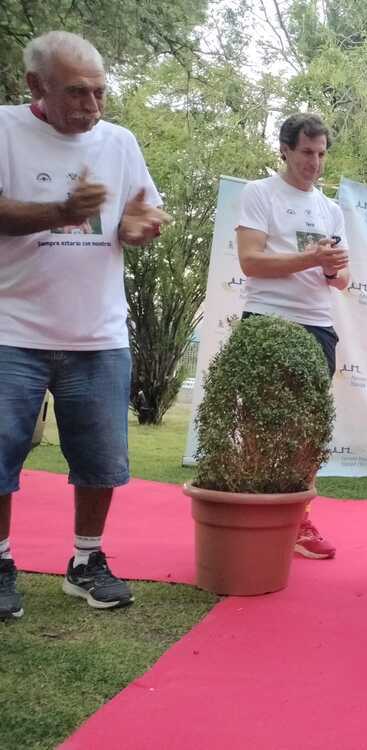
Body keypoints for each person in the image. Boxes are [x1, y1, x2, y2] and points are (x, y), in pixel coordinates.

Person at [0, 31, 170, 619]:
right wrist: (59, 212)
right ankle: (0, 562)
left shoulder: (119, 143)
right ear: (35, 86)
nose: (92, 107)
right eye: (77, 93)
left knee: (101, 459)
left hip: (98, 333)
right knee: (0, 452)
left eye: (99, 93)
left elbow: (144, 207)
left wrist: (141, 225)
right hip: (10, 330)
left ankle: (86, 561)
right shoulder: (4, 129)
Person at [235, 113, 350, 560]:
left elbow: (340, 279)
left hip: (318, 324)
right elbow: (251, 261)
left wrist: (329, 268)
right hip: (267, 318)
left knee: (308, 428)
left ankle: (299, 520)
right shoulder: (259, 193)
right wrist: (309, 259)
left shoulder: (331, 208)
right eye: (306, 153)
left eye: (321, 154)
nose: (315, 163)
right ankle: (254, 512)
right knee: (259, 420)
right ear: (284, 149)